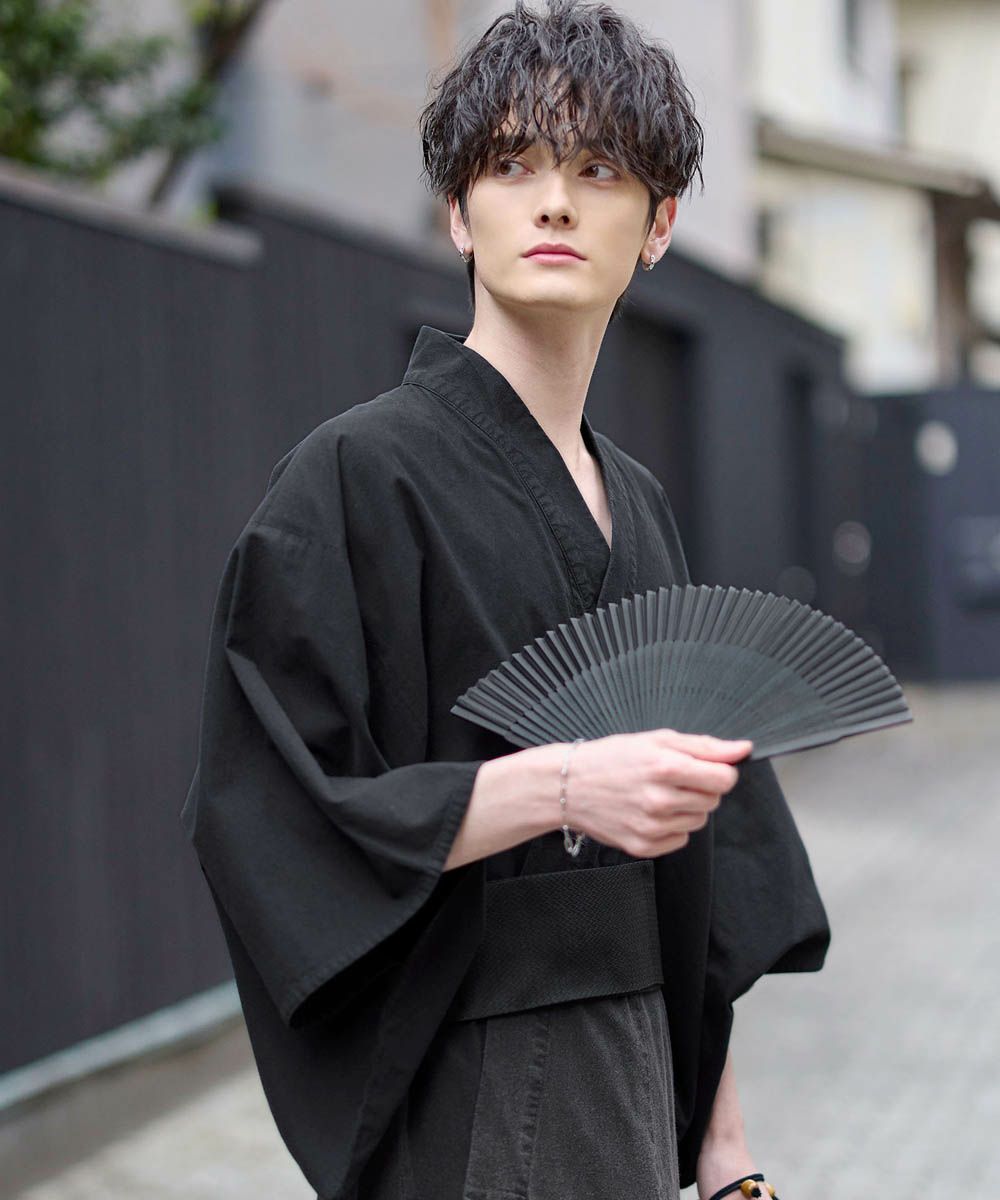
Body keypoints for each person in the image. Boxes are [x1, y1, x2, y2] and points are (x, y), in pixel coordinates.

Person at [180, 3, 830, 1198]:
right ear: (457, 212)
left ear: (660, 225)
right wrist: (563, 786)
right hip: (473, 1074)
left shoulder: (638, 504)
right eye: (513, 165)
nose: (554, 204)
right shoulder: (355, 474)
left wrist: (724, 1150)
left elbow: (702, 874)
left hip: (639, 1067)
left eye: (599, 170)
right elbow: (271, 806)